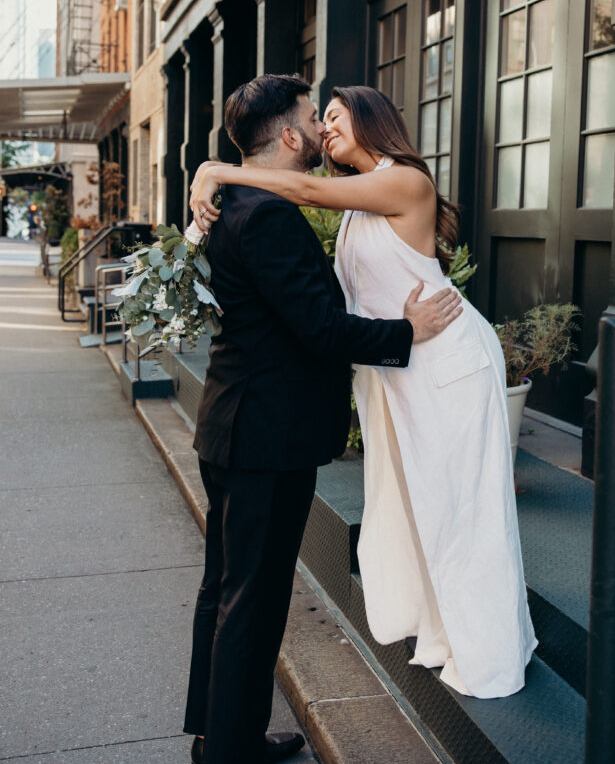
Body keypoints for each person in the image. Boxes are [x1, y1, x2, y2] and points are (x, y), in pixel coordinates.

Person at [191, 84, 538, 702]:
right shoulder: (357, 202)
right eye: (316, 118)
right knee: (420, 507)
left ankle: (489, 649)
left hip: (447, 364)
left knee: (463, 511)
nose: (323, 128)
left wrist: (214, 168)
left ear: (372, 119)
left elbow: (301, 189)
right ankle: (442, 631)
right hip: (401, 370)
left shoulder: (401, 180)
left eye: (333, 115)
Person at [184, 74, 462, 764]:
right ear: (289, 137)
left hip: (239, 426)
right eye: (312, 117)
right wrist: (408, 334)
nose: (318, 127)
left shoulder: (236, 204)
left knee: (226, 588)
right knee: (252, 598)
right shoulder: (265, 214)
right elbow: (320, 329)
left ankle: (221, 738)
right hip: (263, 436)